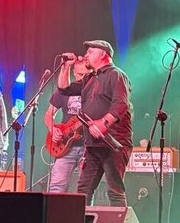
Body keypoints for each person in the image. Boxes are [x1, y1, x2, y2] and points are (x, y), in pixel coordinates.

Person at [56, 40, 133, 207]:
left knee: (114, 190)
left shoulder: (116, 75)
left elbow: (121, 104)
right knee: (84, 189)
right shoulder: (89, 78)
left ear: (103, 54)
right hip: (93, 144)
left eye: (90, 52)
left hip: (113, 142)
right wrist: (66, 67)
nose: (85, 56)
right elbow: (64, 89)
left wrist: (103, 123)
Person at [44, 54, 92, 193]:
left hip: (87, 146)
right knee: (56, 187)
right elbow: (48, 114)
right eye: (80, 74)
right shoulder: (64, 91)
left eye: (87, 75)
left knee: (85, 190)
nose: (83, 78)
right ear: (74, 72)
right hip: (65, 146)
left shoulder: (94, 92)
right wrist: (53, 130)